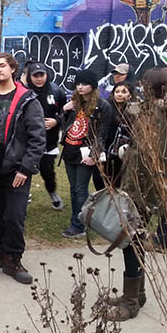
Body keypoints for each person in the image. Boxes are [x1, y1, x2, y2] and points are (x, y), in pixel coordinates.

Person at [111, 68, 167, 321]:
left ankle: (131, 301)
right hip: (148, 185)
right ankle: (138, 293)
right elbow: (129, 113)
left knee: (131, 242)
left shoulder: (159, 114)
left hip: (141, 186)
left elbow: (146, 154)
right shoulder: (164, 109)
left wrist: (125, 152)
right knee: (136, 241)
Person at [0, 53, 46, 285]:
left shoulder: (28, 99)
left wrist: (26, 169)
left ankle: (14, 258)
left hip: (17, 169)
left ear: (12, 68)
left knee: (15, 216)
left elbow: (37, 139)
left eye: (2, 66)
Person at [61, 70, 111, 239]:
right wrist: (65, 110)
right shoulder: (75, 103)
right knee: (74, 189)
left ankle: (79, 225)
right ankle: (76, 220)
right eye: (78, 84)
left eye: (84, 84)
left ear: (93, 85)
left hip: (86, 152)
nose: (80, 87)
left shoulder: (102, 106)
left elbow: (102, 134)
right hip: (70, 150)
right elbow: (66, 124)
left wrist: (94, 155)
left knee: (81, 189)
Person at [26, 62, 66, 210]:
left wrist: (57, 121)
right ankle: (23, 196)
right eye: (35, 76)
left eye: (41, 75)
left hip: (49, 141)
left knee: (47, 170)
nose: (39, 79)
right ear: (30, 77)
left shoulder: (56, 91)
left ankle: (52, 192)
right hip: (27, 140)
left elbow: (65, 113)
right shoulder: (24, 92)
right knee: (25, 169)